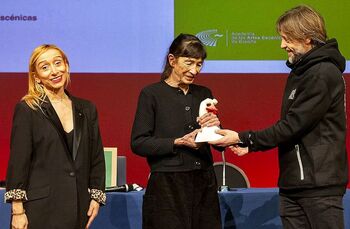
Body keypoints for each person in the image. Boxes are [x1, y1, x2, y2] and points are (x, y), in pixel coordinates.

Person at [208, 5, 349, 229]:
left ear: (307, 38)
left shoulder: (322, 73)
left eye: (287, 38)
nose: (282, 45)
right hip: (295, 183)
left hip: (318, 187)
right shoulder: (302, 72)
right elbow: (291, 128)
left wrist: (242, 138)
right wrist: (249, 145)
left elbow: (293, 126)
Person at [5, 44, 106, 229]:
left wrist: (96, 196)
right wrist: (17, 210)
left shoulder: (87, 109)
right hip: (39, 210)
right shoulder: (28, 108)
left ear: (66, 65)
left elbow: (96, 156)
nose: (54, 71)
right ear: (36, 77)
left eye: (57, 63)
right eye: (45, 67)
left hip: (78, 207)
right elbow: (18, 161)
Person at [131, 34, 222, 229]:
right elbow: (139, 142)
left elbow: (219, 144)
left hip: (204, 182)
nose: (194, 70)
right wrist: (177, 142)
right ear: (172, 60)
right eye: (189, 63)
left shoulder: (204, 93)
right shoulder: (152, 94)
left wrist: (215, 128)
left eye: (199, 64)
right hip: (167, 185)